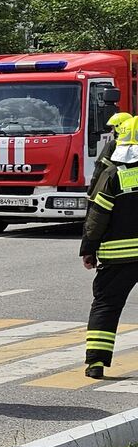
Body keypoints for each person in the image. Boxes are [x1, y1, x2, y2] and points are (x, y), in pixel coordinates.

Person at [80, 115, 138, 379]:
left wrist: (88, 249)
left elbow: (97, 217)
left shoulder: (113, 176)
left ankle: (96, 363)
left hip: (118, 259)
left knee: (106, 306)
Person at [90, 111, 131, 194]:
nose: (111, 132)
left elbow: (100, 169)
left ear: (120, 127)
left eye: (113, 128)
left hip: (114, 191)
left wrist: (91, 191)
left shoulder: (112, 145)